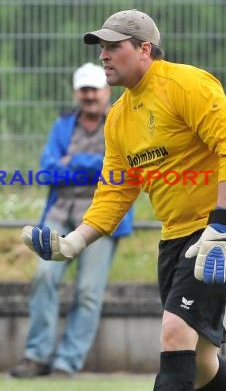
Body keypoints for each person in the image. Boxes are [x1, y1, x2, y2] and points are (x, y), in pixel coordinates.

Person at [21, 10, 226, 390]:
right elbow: (116, 189)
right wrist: (74, 241)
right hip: (177, 236)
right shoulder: (117, 116)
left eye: (113, 46)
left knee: (174, 332)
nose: (103, 55)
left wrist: (221, 224)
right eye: (101, 47)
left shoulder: (186, 84)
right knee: (200, 360)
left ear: (144, 49)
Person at [10, 63, 134, 378]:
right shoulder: (62, 125)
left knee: (89, 291)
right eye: (84, 90)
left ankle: (68, 361)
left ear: (107, 92)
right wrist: (89, 167)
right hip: (60, 213)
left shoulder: (121, 122)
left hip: (102, 218)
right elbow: (48, 168)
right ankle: (36, 355)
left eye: (95, 89)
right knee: (43, 277)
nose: (90, 96)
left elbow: (118, 168)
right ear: (76, 93)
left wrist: (75, 161)